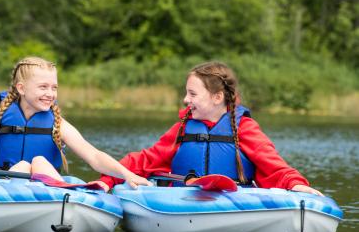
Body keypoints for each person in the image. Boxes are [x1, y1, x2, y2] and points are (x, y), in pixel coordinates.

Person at [96, 61, 323, 196]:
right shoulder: (182, 129)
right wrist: (108, 180)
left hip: (233, 204)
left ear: (217, 97)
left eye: (193, 94)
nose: (185, 99)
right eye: (186, 93)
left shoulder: (244, 127)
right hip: (183, 203)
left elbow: (274, 166)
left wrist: (296, 185)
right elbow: (143, 161)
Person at [0, 56, 151, 190]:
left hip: (44, 190)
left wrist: (128, 175)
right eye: (43, 87)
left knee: (38, 161)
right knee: (25, 165)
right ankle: (59, 190)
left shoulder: (58, 124)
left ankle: (62, 191)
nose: (50, 93)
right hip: (3, 187)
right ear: (21, 89)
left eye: (54, 87)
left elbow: (94, 156)